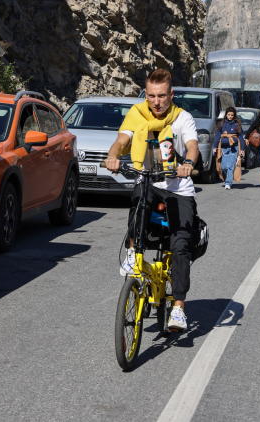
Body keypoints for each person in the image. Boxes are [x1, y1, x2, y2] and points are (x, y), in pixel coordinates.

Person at [104, 68, 199, 331]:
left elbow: (192, 145)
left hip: (177, 187)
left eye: (161, 96)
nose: (156, 102)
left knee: (180, 245)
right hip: (149, 182)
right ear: (145, 95)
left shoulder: (183, 118)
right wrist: (113, 156)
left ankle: (179, 307)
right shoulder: (137, 114)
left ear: (171, 95)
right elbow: (122, 141)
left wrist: (188, 163)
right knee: (140, 197)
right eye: (151, 96)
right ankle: (134, 254)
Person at [213, 107, 245, 190]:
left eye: (232, 115)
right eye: (229, 115)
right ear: (226, 115)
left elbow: (241, 137)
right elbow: (217, 136)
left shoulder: (236, 124)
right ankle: (226, 178)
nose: (230, 116)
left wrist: (242, 149)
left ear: (234, 116)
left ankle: (228, 183)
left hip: (234, 148)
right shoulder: (221, 124)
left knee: (230, 166)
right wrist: (214, 147)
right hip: (223, 147)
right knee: (223, 167)